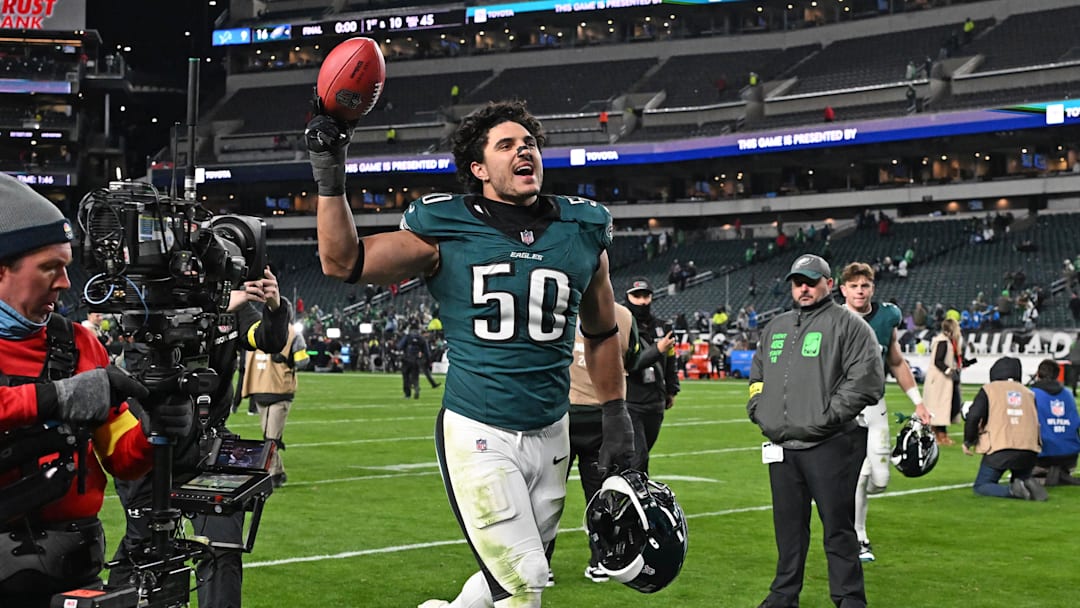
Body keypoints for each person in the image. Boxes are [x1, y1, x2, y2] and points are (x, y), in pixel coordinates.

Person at [306, 99, 634, 608]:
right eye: (506, 145)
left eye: (529, 143)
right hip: (480, 428)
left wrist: (615, 413)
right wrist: (330, 173)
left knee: (516, 574)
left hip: (553, 429)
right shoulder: (447, 226)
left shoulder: (583, 229)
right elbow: (341, 260)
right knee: (523, 583)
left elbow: (601, 332)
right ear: (479, 168)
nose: (523, 151)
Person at [0, 173, 187, 608]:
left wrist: (156, 428)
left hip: (71, 571)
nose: (65, 282)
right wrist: (59, 397)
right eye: (50, 267)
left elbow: (119, 455)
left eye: (66, 266)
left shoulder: (79, 343)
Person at [109, 269, 290, 608]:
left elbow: (266, 338)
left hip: (208, 443)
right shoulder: (151, 295)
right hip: (152, 445)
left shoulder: (231, 304)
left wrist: (275, 308)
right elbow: (151, 362)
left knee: (223, 548)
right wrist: (211, 308)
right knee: (142, 549)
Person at [747, 254, 883, 608]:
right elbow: (757, 375)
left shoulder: (850, 326)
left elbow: (867, 381)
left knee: (838, 528)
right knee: (788, 529)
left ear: (829, 284)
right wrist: (759, 408)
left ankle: (849, 599)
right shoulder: (775, 326)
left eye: (811, 281)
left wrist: (827, 416)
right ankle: (783, 596)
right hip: (782, 446)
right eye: (798, 282)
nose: (804, 288)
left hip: (831, 444)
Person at [838, 263, 931, 564]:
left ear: (872, 288)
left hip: (874, 405)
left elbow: (896, 361)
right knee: (857, 477)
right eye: (854, 286)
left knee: (879, 479)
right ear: (843, 289)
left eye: (864, 285)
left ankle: (847, 499)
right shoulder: (832, 319)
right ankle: (859, 536)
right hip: (843, 410)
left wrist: (918, 402)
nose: (860, 291)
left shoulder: (886, 316)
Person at [557, 300, 639, 583]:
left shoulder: (557, 302)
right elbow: (633, 358)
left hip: (561, 413)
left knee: (546, 494)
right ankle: (602, 560)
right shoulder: (624, 315)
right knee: (600, 496)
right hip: (604, 415)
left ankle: (540, 563)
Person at [240, 305, 310, 487]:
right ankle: (278, 472)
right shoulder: (293, 334)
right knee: (269, 436)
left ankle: (273, 473)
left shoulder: (255, 329)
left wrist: (286, 359)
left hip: (268, 388)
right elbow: (303, 361)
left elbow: (302, 361)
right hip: (271, 388)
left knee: (271, 437)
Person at [962, 356, 1047, 501]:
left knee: (982, 485)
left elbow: (974, 416)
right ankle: (1026, 483)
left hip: (1000, 448)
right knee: (1021, 477)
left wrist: (968, 441)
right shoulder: (1028, 393)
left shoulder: (989, 390)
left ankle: (1013, 491)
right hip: (1029, 449)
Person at [624, 277, 679, 474]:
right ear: (628, 297)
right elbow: (628, 364)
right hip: (630, 401)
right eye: (637, 296)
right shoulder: (621, 327)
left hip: (655, 401)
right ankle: (633, 492)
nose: (642, 301)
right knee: (638, 458)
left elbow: (671, 360)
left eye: (646, 296)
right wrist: (657, 349)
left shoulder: (663, 327)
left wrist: (672, 389)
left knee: (640, 456)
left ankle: (625, 487)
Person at [1029, 359, 1080, 486]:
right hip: (1070, 455)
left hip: (1043, 456)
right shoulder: (1068, 394)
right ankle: (1060, 473)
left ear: (1038, 374)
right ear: (1057, 375)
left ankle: (1045, 476)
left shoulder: (1031, 394)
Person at [924, 318, 973, 445]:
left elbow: (955, 360)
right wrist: (948, 370)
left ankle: (937, 431)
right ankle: (941, 434)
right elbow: (938, 360)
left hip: (947, 380)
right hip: (940, 380)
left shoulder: (950, 341)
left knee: (951, 406)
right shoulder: (943, 341)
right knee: (944, 407)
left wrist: (970, 361)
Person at [397, 325, 436, 399]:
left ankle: (407, 394)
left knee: (406, 377)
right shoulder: (421, 338)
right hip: (416, 360)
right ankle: (416, 388)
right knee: (415, 376)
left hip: (406, 359)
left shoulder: (408, 336)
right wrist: (428, 361)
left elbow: (399, 346)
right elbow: (427, 352)